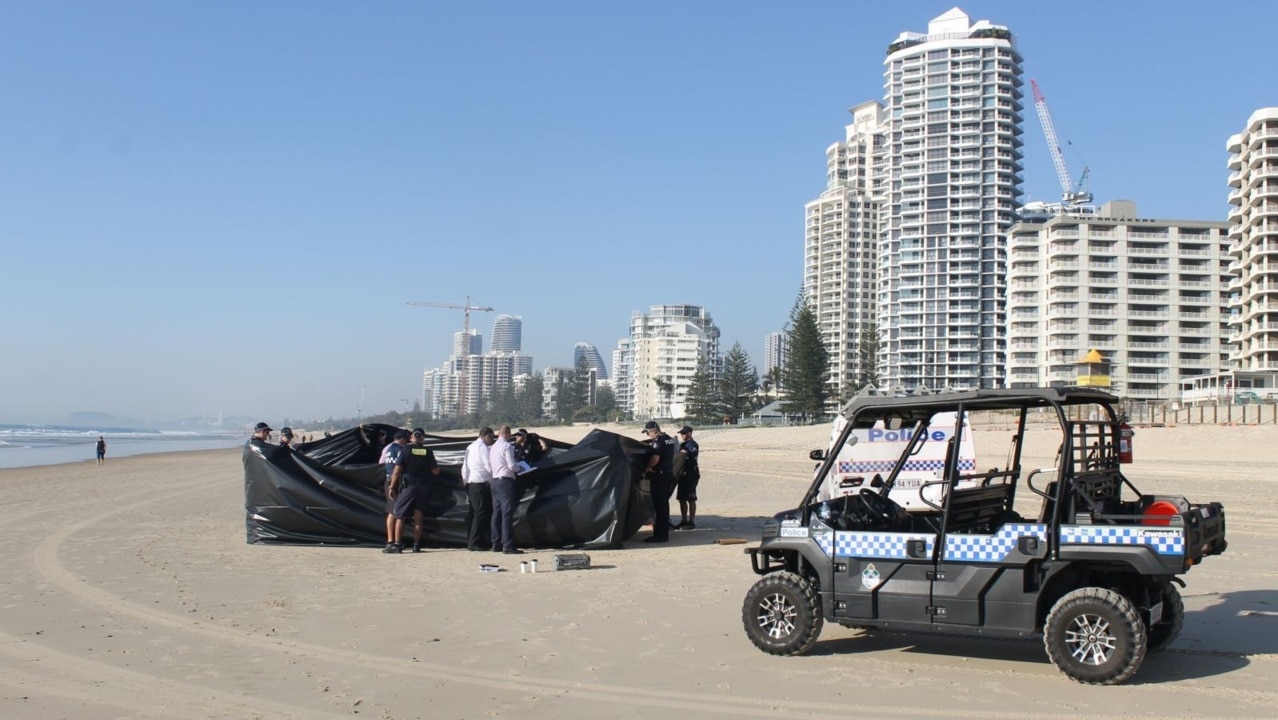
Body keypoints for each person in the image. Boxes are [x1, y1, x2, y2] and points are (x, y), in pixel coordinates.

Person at [387, 429, 440, 554]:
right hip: (423, 487)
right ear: (422, 438)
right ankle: (416, 545)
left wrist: (392, 487)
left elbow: (396, 470)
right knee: (418, 516)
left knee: (400, 514)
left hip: (409, 486)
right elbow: (436, 471)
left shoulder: (405, 450)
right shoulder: (428, 452)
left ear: (411, 438)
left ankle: (397, 545)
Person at [488, 425, 523, 554]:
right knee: (506, 514)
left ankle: (495, 543)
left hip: (495, 481)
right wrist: (520, 468)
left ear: (498, 433)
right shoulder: (507, 446)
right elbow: (511, 465)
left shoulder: (493, 447)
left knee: (496, 513)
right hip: (505, 481)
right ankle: (507, 545)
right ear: (508, 434)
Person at [640, 420, 677, 543]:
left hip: (660, 476)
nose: (648, 436)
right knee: (664, 506)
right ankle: (663, 533)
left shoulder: (658, 441)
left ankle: (660, 535)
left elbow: (655, 458)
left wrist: (647, 467)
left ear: (654, 431)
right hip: (668, 474)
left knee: (659, 506)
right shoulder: (669, 439)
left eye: (648, 433)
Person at [461, 427, 496, 551]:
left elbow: (464, 467)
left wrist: (465, 482)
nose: (492, 441)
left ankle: (471, 540)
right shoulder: (483, 447)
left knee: (474, 513)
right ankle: (475, 542)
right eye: (492, 438)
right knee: (480, 513)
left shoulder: (470, 447)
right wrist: (493, 480)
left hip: (471, 483)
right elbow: (488, 465)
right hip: (480, 482)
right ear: (486, 436)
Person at [379, 429, 411, 552]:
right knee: (396, 512)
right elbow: (401, 468)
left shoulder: (387, 449)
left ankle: (391, 541)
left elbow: (380, 463)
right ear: (402, 439)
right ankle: (393, 542)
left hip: (388, 480)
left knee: (391, 511)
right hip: (396, 482)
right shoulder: (402, 450)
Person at [675, 425, 700, 529]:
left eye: (684, 433)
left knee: (691, 498)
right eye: (681, 433)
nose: (682, 435)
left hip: (691, 474)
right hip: (683, 474)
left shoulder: (692, 444)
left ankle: (691, 521)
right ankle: (684, 520)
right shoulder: (683, 444)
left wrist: (684, 452)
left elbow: (693, 453)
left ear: (689, 433)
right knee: (681, 498)